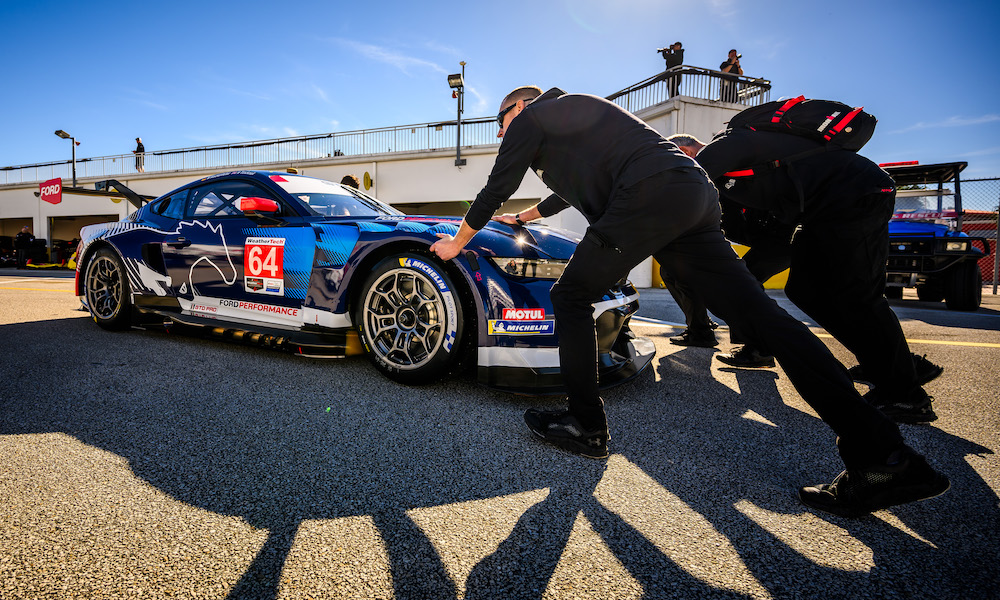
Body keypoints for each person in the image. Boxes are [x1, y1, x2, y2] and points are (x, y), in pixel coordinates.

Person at [429, 85, 949, 517]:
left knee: (569, 297)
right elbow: (563, 193)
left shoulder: (534, 116)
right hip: (693, 193)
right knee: (762, 317)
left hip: (651, 194)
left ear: (520, 106)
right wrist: (522, 220)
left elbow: (499, 181)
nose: (501, 130)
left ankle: (584, 425)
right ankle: (883, 456)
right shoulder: (585, 119)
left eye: (501, 119)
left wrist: (457, 241)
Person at [695, 125, 943, 426]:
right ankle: (887, 365)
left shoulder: (716, 155)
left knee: (859, 296)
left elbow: (681, 193)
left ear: (686, 152)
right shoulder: (739, 163)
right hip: (822, 209)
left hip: (856, 197)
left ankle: (906, 394)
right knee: (804, 290)